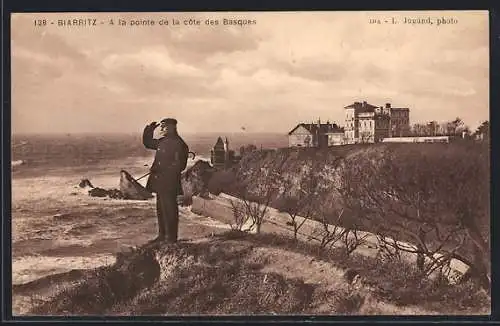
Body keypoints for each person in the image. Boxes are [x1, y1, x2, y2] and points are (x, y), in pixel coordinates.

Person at [143, 118, 189, 243]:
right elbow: (147, 143)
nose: (161, 129)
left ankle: (171, 237)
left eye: (164, 127)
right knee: (161, 209)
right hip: (160, 181)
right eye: (161, 127)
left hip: (169, 181)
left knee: (170, 209)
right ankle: (162, 235)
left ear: (172, 127)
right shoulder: (163, 142)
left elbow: (180, 166)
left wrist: (162, 171)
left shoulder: (179, 144)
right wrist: (149, 129)